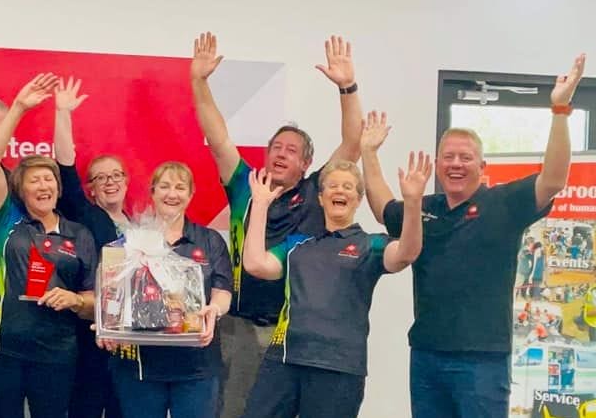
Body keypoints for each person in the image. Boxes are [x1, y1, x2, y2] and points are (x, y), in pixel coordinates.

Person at [361, 55, 585, 418]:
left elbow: (554, 179)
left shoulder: (504, 203)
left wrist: (560, 110)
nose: (455, 164)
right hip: (427, 355)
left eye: (465, 158)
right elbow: (383, 207)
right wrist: (368, 153)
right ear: (437, 165)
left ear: (483, 167)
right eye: (448, 157)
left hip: (483, 360)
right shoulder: (423, 207)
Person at [190, 31, 363, 417]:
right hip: (238, 326)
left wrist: (347, 87)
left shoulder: (317, 191)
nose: (281, 154)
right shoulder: (245, 186)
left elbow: (352, 144)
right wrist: (199, 81)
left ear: (306, 163)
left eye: (292, 151)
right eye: (276, 148)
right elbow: (217, 137)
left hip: (294, 329)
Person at [240, 146, 429, 418]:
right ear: (321, 197)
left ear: (358, 199)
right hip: (284, 358)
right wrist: (259, 205)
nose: (340, 190)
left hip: (339, 366)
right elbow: (255, 264)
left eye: (348, 187)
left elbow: (406, 253)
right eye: (333, 186)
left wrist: (412, 203)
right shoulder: (297, 244)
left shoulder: (369, 245)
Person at [0, 73, 98, 418]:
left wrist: (75, 300)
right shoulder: (5, 218)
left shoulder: (79, 234)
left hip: (56, 353)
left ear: (58, 187)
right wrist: (20, 107)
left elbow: (93, 300)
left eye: (49, 179)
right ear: (20, 190)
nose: (43, 186)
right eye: (34, 180)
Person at [101, 161, 232, 418]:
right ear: (152, 192)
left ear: (191, 195)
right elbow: (112, 292)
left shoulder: (210, 240)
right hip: (141, 364)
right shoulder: (131, 240)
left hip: (197, 364)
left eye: (180, 187)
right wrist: (107, 322)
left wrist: (214, 309)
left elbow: (223, 290)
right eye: (164, 186)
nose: (172, 194)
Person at [52, 77, 123, 418]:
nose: (110, 182)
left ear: (126, 182)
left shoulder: (145, 225)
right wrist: (62, 113)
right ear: (90, 188)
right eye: (101, 177)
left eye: (116, 175)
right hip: (91, 330)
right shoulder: (85, 215)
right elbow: (65, 166)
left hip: (133, 338)